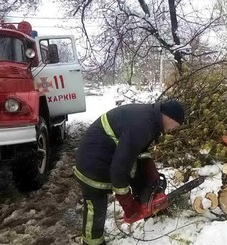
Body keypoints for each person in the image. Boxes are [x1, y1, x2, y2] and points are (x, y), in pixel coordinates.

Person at [73, 100, 185, 245]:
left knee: (136, 172)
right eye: (176, 125)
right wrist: (125, 199)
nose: (174, 129)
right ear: (169, 117)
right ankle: (91, 243)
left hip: (106, 155)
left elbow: (138, 150)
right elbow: (120, 166)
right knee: (96, 207)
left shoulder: (150, 118)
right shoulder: (143, 124)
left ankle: (144, 200)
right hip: (93, 162)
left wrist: (150, 173)